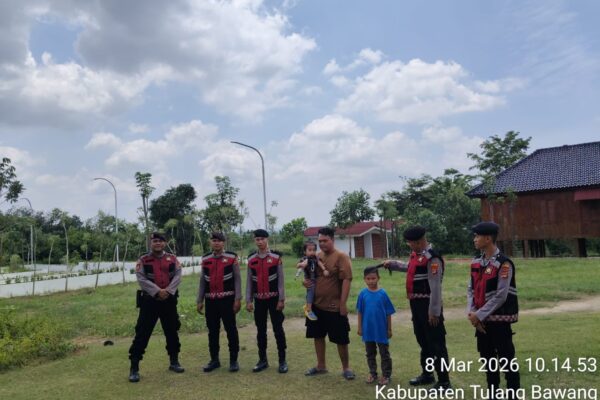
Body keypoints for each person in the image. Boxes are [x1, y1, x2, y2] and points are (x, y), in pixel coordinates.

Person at [383, 226, 451, 389]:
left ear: (419, 242)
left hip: (428, 305)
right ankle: (427, 374)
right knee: (423, 340)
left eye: (410, 243)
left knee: (436, 343)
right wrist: (392, 264)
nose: (409, 245)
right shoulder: (417, 255)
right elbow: (410, 268)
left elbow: (435, 287)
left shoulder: (432, 258)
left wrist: (434, 312)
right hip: (416, 305)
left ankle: (444, 381)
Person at [468, 222, 520, 399]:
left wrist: (478, 315)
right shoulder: (476, 262)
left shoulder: (504, 264)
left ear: (488, 238)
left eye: (477, 236)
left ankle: (513, 393)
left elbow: (501, 296)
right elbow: (471, 290)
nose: (474, 239)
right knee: (487, 359)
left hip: (499, 320)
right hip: (481, 322)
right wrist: (472, 314)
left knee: (507, 359)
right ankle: (493, 393)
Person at [128, 232, 184, 383]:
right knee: (142, 333)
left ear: (164, 243)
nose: (157, 243)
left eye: (160, 241)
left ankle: (174, 362)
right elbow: (141, 278)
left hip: (169, 301)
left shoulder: (172, 259)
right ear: (151, 243)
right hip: (149, 302)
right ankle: (134, 367)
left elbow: (178, 275)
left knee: (172, 331)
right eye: (155, 241)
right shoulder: (143, 260)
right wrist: (157, 291)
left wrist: (168, 291)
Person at [304, 226, 355, 380]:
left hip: (334, 306)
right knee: (317, 336)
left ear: (332, 239)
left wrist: (343, 304)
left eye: (325, 241)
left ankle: (346, 368)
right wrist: (305, 283)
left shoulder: (341, 257)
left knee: (341, 339)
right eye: (320, 241)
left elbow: (347, 280)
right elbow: (311, 276)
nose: (322, 244)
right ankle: (321, 366)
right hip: (316, 305)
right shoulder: (316, 256)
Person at [197, 232, 242, 373]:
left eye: (219, 241)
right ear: (210, 242)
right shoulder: (206, 259)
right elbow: (203, 280)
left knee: (231, 330)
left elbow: (237, 279)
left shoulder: (231, 257)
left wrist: (238, 299)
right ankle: (214, 360)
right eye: (214, 240)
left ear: (223, 243)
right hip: (210, 301)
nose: (216, 243)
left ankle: (233, 360)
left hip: (227, 300)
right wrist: (200, 300)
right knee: (212, 331)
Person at [245, 229, 288, 373]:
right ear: (255, 241)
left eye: (262, 239)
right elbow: (249, 282)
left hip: (274, 299)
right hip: (259, 300)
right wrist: (248, 300)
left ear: (267, 240)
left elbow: (281, 281)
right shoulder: (251, 260)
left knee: (278, 329)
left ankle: (282, 361)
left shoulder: (276, 258)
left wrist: (281, 299)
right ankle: (262, 360)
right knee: (260, 330)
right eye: (257, 239)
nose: (260, 242)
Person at [357, 266, 396, 385]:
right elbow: (360, 312)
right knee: (370, 353)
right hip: (368, 329)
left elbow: (388, 313)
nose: (371, 281)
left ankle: (386, 375)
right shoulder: (362, 294)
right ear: (364, 279)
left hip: (381, 329)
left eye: (373, 278)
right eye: (368, 279)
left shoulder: (383, 294)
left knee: (384, 353)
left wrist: (389, 329)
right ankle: (372, 373)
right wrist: (360, 327)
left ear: (378, 278)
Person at [296, 240, 329, 321]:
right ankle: (308, 310)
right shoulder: (304, 259)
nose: (312, 252)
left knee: (314, 293)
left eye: (314, 250)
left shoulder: (315, 258)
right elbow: (297, 265)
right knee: (310, 293)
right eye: (310, 250)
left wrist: (324, 269)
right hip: (309, 280)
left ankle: (308, 306)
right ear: (305, 252)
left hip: (316, 279)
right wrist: (302, 264)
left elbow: (319, 263)